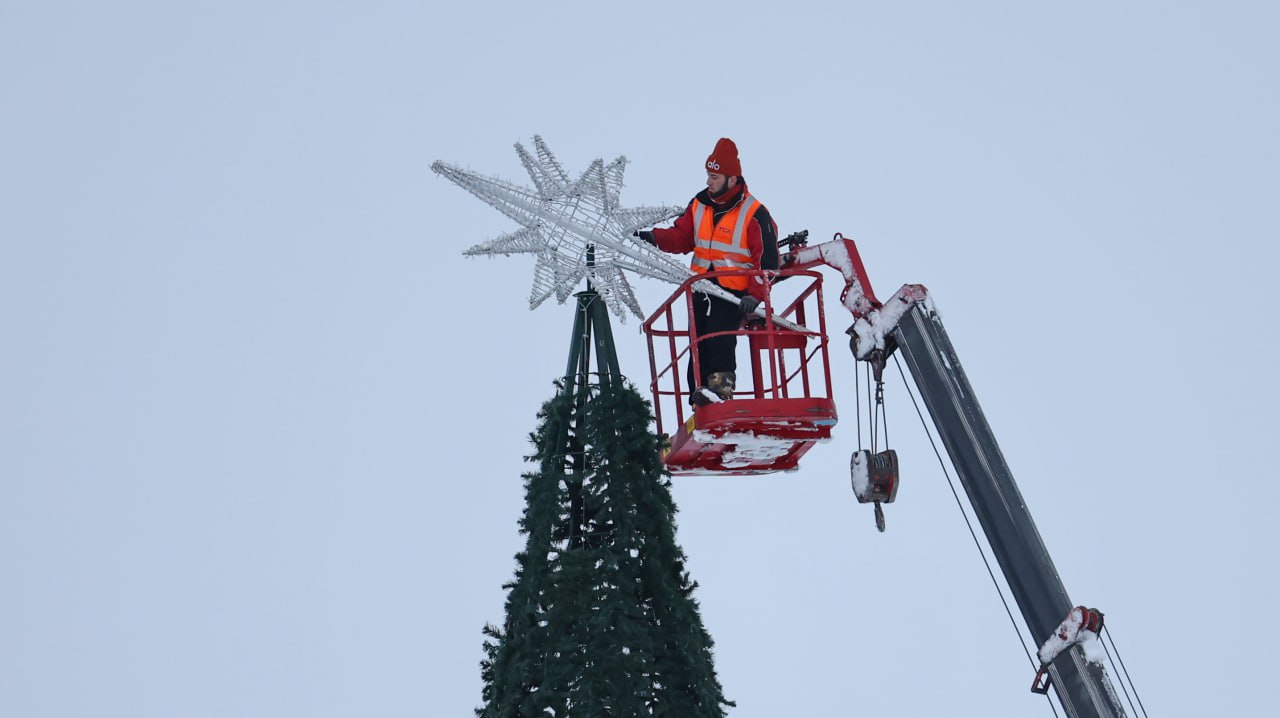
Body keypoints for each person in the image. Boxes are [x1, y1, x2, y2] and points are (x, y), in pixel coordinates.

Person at [636, 137, 779, 406]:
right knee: (697, 344)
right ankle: (698, 398)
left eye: (714, 176)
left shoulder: (755, 214)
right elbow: (681, 237)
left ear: (732, 179)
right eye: (708, 175)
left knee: (720, 341)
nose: (708, 182)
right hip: (701, 288)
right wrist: (653, 238)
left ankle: (720, 394)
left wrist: (756, 295)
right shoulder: (699, 204)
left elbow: (767, 260)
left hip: (732, 292)